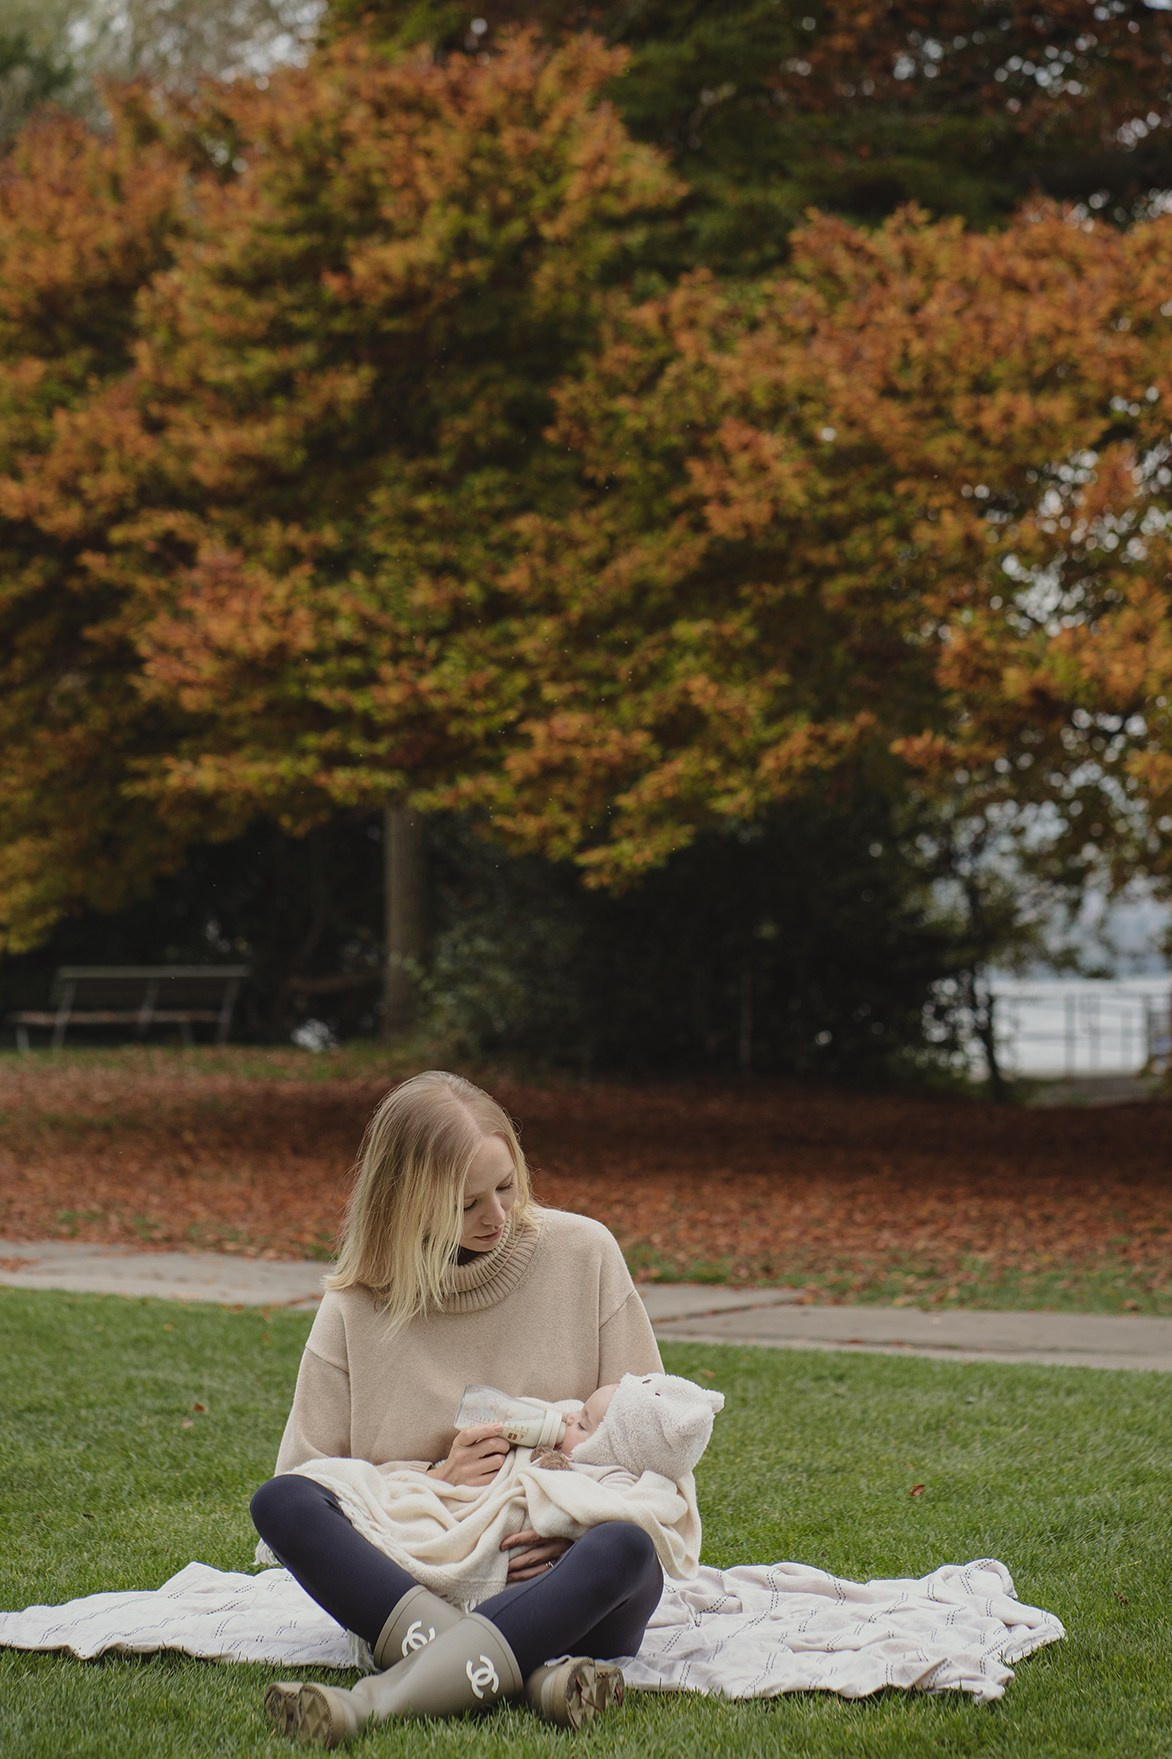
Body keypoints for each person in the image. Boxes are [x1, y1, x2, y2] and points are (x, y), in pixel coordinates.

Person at [251, 1070, 666, 1745]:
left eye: (505, 1187)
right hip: (420, 1575)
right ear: (405, 1199)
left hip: (567, 1583)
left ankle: (375, 1701)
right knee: (282, 1500)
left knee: (626, 1547)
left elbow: (655, 1440)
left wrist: (576, 1523)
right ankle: (534, 1680)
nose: (497, 1216)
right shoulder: (357, 1304)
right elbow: (316, 1480)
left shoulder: (585, 1254)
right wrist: (434, 1482)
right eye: (466, 1201)